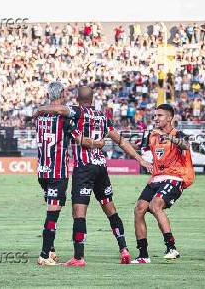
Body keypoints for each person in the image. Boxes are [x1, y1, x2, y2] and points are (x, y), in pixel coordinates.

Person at [36, 86, 152, 266]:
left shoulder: (75, 112)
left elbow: (59, 109)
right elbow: (120, 140)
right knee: (110, 209)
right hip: (101, 167)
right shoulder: (102, 117)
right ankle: (124, 248)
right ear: (93, 99)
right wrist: (139, 159)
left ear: (76, 98)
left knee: (79, 213)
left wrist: (40, 109)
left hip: (84, 167)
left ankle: (78, 257)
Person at [35, 82, 104, 266]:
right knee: (52, 215)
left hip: (42, 170)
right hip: (58, 172)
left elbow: (42, 113)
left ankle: (50, 249)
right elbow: (79, 138)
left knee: (50, 208)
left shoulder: (40, 116)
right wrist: (96, 144)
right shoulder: (64, 119)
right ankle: (44, 255)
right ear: (63, 94)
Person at [132, 104, 194, 263]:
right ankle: (143, 255)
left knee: (155, 205)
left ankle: (171, 247)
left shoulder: (178, 134)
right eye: (155, 116)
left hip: (175, 177)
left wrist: (169, 137)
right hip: (156, 178)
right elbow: (145, 152)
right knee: (139, 209)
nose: (156, 118)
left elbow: (186, 145)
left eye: (159, 115)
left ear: (169, 118)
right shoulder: (151, 135)